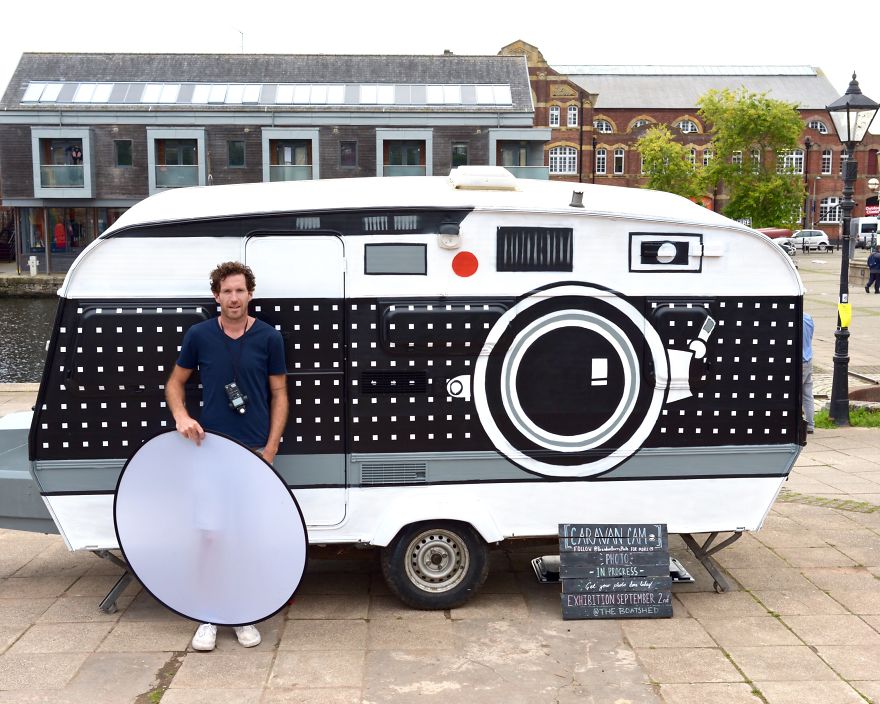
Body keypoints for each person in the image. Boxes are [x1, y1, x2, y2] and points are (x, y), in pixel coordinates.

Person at [165, 261, 288, 652]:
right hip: (210, 451)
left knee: (244, 536)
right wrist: (182, 416)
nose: (233, 298)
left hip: (253, 453)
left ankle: (243, 612)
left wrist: (269, 449)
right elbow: (174, 384)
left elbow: (280, 395)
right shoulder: (199, 335)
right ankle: (209, 614)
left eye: (240, 290)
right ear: (216, 296)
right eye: (226, 291)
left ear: (250, 294)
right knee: (211, 535)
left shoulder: (269, 337)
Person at [802, 312, 814, 434]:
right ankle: (810, 425)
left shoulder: (791, 320)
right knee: (807, 395)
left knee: (794, 395)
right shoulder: (808, 318)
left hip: (797, 362)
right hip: (808, 359)